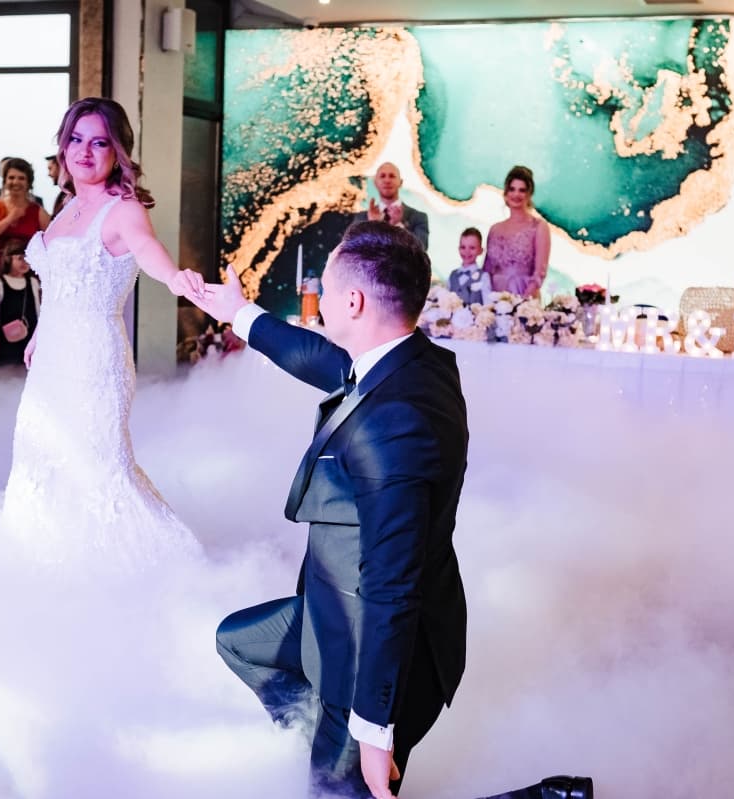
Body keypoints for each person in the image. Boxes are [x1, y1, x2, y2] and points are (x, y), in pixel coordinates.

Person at [197, 222, 591, 799]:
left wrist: (373, 728)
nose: (320, 298)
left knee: (344, 790)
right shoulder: (410, 362)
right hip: (333, 615)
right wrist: (239, 313)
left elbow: (392, 584)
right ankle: (320, 729)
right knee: (239, 640)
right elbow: (323, 361)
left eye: (325, 287)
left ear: (354, 302)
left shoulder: (395, 421)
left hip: (371, 651)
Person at [2, 97, 206, 562]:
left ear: (118, 152)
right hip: (52, 360)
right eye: (76, 139)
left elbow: (146, 248)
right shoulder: (68, 207)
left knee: (97, 468)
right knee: (41, 457)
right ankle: (48, 558)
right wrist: (41, 333)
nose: (84, 151)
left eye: (99, 142)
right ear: (63, 146)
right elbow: (61, 285)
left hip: (94, 359)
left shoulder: (123, 209)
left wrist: (176, 278)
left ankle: (131, 565)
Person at [0, 157, 51, 280]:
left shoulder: (37, 211)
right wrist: (9, 219)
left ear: (28, 183)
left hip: (28, 270)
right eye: (11, 177)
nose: (15, 182)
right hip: (0, 270)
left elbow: (52, 242)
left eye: (21, 178)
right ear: (4, 180)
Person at [482, 165, 550, 299]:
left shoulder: (538, 226)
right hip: (493, 297)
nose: (516, 195)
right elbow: (486, 270)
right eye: (512, 189)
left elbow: (539, 273)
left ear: (529, 194)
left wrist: (523, 302)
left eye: (522, 190)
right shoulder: (495, 229)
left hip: (523, 294)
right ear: (506, 193)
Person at [0, 238, 40, 368]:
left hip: (29, 334)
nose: (24, 262)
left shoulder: (33, 282)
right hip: (7, 337)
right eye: (20, 258)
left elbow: (38, 309)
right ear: (8, 259)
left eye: (27, 258)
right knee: (7, 368)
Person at [352, 162, 429, 250]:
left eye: (392, 176)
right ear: (375, 183)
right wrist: (374, 226)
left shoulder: (419, 217)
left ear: (400, 182)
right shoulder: (361, 218)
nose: (387, 180)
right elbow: (353, 250)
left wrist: (397, 226)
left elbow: (421, 249)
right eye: (382, 176)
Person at [447, 226, 491, 305]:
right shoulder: (452, 275)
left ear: (481, 251)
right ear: (458, 248)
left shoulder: (483, 277)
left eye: (472, 248)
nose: (467, 251)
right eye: (463, 247)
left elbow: (488, 305)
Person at [46, 153, 68, 219]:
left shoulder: (71, 193)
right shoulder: (62, 195)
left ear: (60, 166)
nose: (49, 174)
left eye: (50, 168)